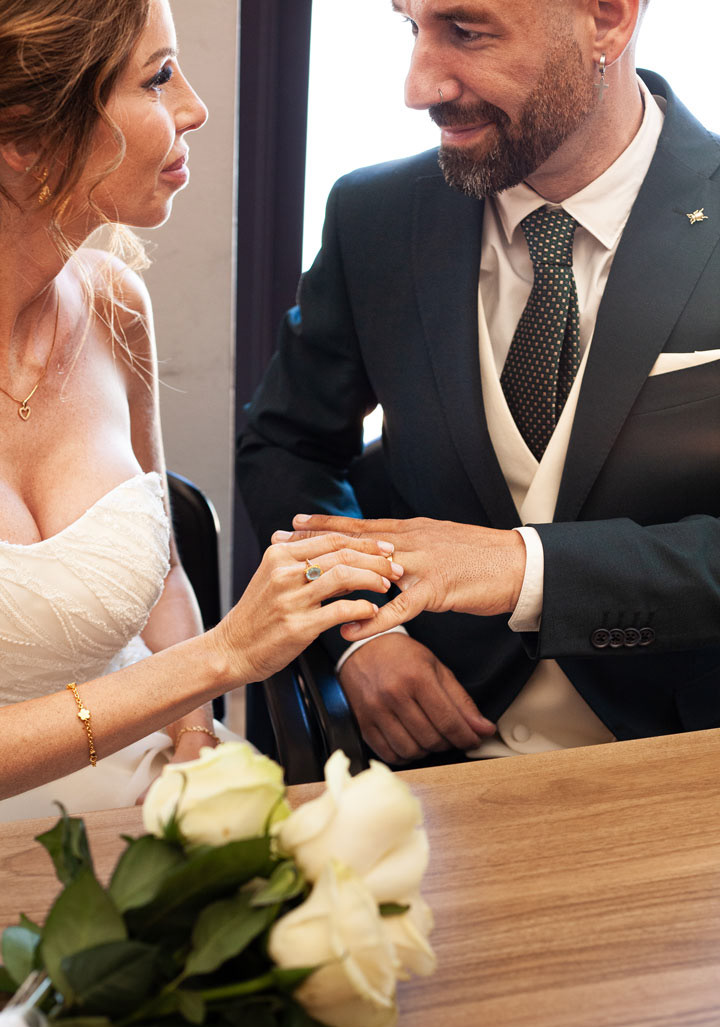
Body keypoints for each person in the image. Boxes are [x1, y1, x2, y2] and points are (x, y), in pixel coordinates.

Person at [237, 0, 720, 766]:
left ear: (607, 19)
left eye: (465, 32)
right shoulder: (373, 217)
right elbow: (285, 446)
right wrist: (362, 633)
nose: (418, 87)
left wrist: (528, 569)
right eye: (412, 27)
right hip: (429, 771)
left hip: (684, 759)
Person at [0, 0, 399, 820]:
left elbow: (163, 572)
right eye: (158, 78)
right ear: (24, 136)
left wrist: (194, 745)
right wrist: (223, 658)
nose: (196, 108)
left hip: (157, 789)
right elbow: (214, 655)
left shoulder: (114, 305)